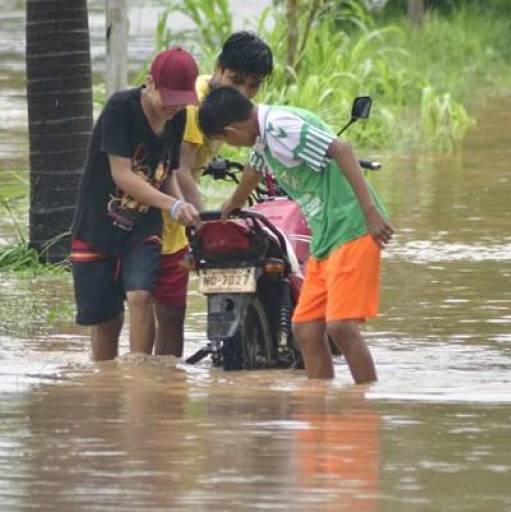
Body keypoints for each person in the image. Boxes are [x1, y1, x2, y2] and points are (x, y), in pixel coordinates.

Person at [196, 87, 394, 382]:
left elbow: (342, 149)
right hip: (327, 234)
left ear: (231, 130)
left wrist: (369, 211)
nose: (232, 145)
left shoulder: (280, 127)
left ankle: (363, 407)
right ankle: (320, 407)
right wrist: (232, 204)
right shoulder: (263, 137)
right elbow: (254, 170)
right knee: (306, 328)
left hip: (351, 225)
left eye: (226, 140)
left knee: (339, 327)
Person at [70, 47, 202, 361]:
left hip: (143, 227)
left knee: (141, 296)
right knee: (107, 318)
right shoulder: (121, 109)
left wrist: (182, 208)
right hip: (98, 224)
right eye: (169, 99)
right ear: (149, 84)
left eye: (182, 101)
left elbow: (165, 171)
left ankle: (140, 380)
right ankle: (108, 387)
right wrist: (171, 205)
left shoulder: (179, 116)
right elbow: (123, 175)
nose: (174, 108)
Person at [152, 32, 274, 357]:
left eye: (253, 86)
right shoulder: (196, 105)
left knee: (167, 309)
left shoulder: (220, 103)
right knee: (166, 308)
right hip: (168, 210)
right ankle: (158, 376)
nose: (243, 93)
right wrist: (204, 221)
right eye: (236, 81)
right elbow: (180, 169)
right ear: (219, 69)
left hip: (173, 207)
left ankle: (160, 378)